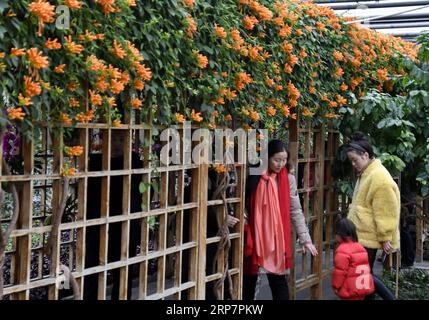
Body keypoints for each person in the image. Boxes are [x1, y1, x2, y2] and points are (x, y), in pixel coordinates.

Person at [243, 139, 318, 300]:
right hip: (255, 235)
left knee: (278, 282)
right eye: (277, 160)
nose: (280, 164)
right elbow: (243, 203)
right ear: (267, 157)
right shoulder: (253, 175)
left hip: (275, 240)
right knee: (248, 282)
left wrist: (306, 239)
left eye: (284, 160)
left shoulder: (288, 179)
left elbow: (295, 210)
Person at [346, 132, 400, 300]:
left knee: (364, 276)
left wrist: (385, 237)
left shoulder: (378, 176)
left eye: (355, 160)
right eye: (351, 161)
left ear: (366, 155)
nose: (353, 164)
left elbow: (386, 211)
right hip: (362, 235)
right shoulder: (368, 172)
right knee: (364, 277)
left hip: (367, 236)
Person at [332, 218, 374, 300]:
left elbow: (340, 272)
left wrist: (336, 286)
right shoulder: (360, 247)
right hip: (362, 288)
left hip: (349, 290)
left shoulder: (342, 250)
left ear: (339, 234)